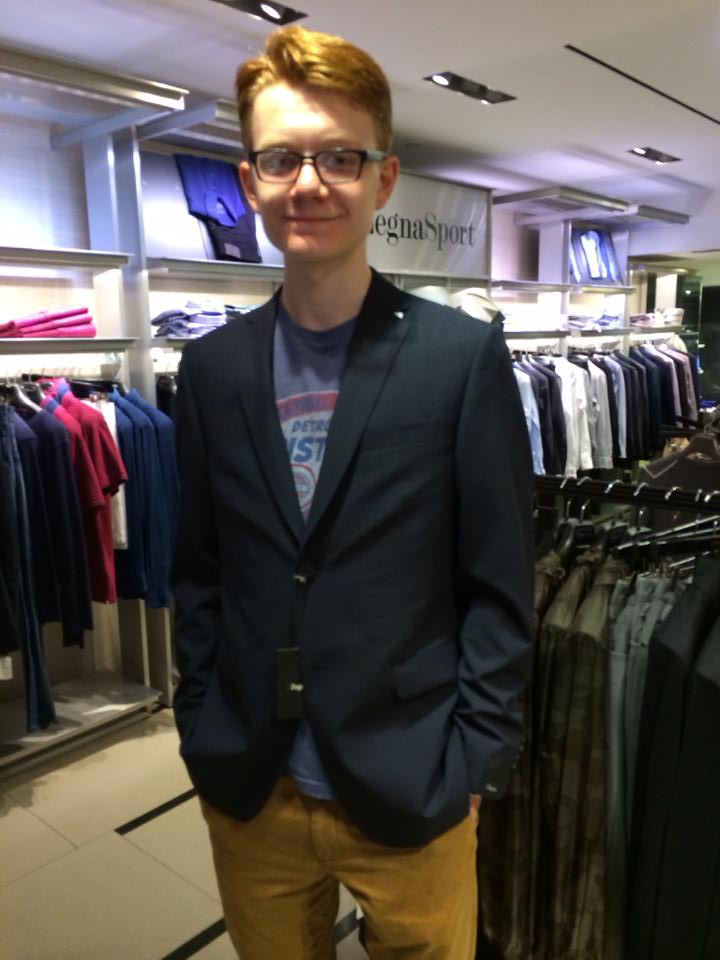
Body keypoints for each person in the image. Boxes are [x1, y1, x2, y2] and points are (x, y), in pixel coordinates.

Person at [172, 23, 534, 960]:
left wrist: (476, 761)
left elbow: (499, 580)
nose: (310, 183)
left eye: (340, 156)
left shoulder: (460, 358)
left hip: (415, 777)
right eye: (281, 158)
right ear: (249, 181)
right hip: (252, 782)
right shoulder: (210, 370)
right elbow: (200, 568)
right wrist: (199, 718)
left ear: (385, 178)